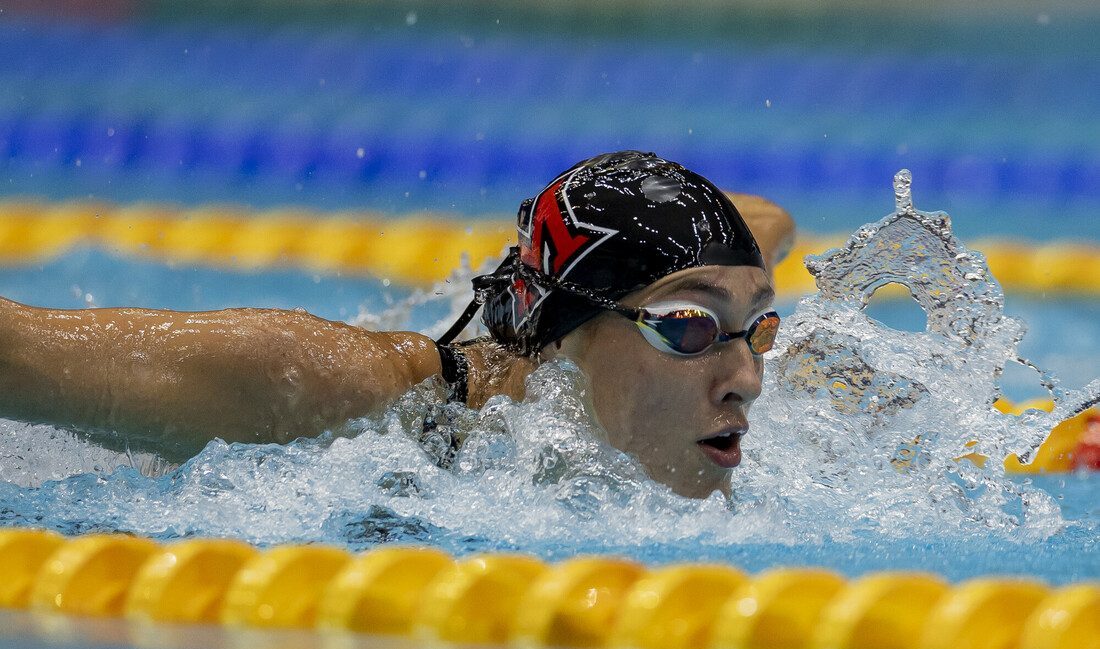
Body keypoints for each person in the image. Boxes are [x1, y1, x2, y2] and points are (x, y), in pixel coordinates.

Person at [0, 151, 794, 499]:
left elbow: (768, 221)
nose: (749, 378)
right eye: (689, 327)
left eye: (755, 326)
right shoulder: (332, 389)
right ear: (562, 336)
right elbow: (21, 355)